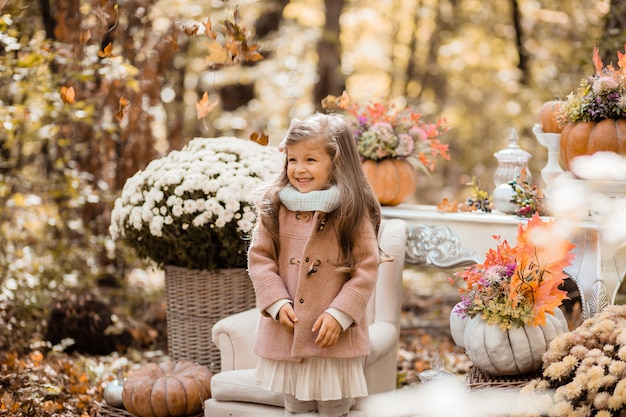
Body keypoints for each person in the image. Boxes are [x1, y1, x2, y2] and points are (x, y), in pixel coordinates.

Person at [248, 112, 382, 417]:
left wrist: (340, 314)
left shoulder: (351, 209)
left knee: (335, 410)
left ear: (336, 162)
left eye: (310, 159)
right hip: (289, 331)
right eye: (292, 160)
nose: (299, 169)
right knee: (295, 409)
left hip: (330, 339)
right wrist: (277, 302)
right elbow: (259, 259)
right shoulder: (275, 205)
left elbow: (366, 266)